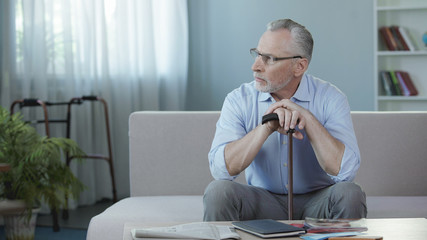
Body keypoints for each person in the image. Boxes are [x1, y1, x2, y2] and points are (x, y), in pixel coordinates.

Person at [203, 18, 367, 221]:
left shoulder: (331, 98)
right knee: (218, 191)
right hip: (262, 201)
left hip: (318, 202)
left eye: (269, 58)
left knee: (350, 193)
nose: (256, 66)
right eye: (257, 54)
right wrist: (266, 127)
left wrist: (306, 116)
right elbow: (221, 171)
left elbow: (346, 173)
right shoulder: (239, 99)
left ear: (299, 66)